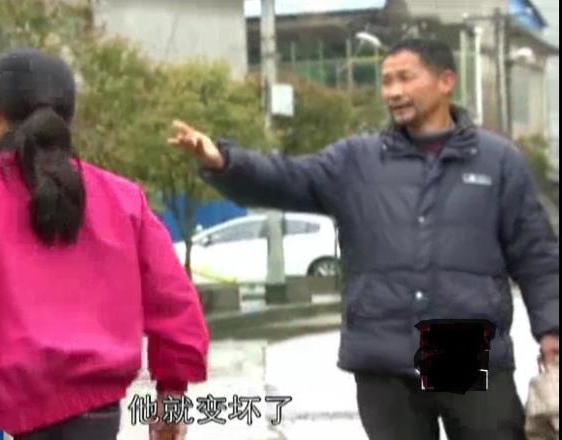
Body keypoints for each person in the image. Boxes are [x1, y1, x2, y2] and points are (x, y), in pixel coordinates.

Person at [169, 38, 559, 440]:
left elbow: (536, 254)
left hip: (459, 344)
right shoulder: (357, 160)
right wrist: (225, 162)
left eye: (405, 78)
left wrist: (552, 328)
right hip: (384, 349)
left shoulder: (496, 160)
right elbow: (287, 178)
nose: (393, 91)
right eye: (386, 81)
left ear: (446, 82)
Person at [0, 48, 209, 440]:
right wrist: (171, 400)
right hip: (95, 417)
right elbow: (175, 307)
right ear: (68, 118)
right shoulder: (122, 199)